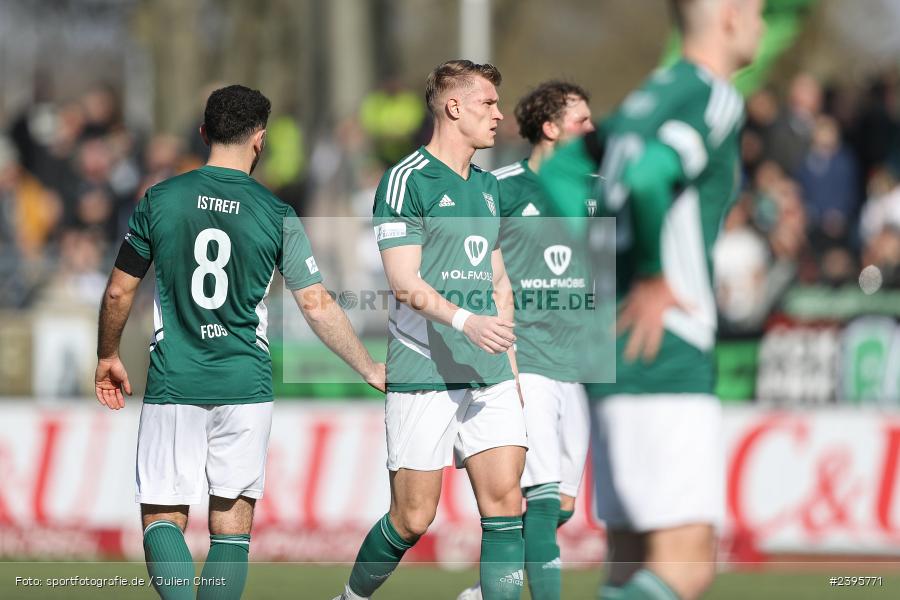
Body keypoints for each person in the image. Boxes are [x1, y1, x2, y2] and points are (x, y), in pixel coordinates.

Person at [94, 84, 385, 600]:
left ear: (204, 133)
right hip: (246, 386)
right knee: (232, 528)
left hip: (175, 379)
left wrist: (108, 355)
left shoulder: (161, 199)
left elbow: (119, 291)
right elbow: (316, 304)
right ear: (260, 139)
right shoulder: (277, 215)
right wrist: (368, 367)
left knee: (163, 519)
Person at [541, 1, 765, 599]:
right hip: (666, 344)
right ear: (732, 16)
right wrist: (651, 275)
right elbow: (646, 178)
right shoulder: (713, 95)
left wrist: (598, 267)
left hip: (613, 346)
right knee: (684, 568)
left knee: (631, 560)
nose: (763, 27)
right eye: (760, 13)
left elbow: (560, 172)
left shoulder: (647, 96)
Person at [335, 60, 528, 600]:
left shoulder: (489, 187)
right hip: (424, 369)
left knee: (507, 504)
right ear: (454, 107)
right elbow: (403, 281)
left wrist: (510, 368)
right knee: (413, 518)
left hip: (488, 373)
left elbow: (497, 279)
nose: (499, 114)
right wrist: (468, 323)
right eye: (488, 103)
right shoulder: (405, 180)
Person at [458, 81, 595, 600]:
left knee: (562, 504)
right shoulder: (503, 188)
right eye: (581, 120)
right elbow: (473, 261)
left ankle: (489, 584)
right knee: (538, 501)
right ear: (551, 128)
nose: (591, 129)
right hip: (529, 361)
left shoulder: (598, 188)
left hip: (581, 365)